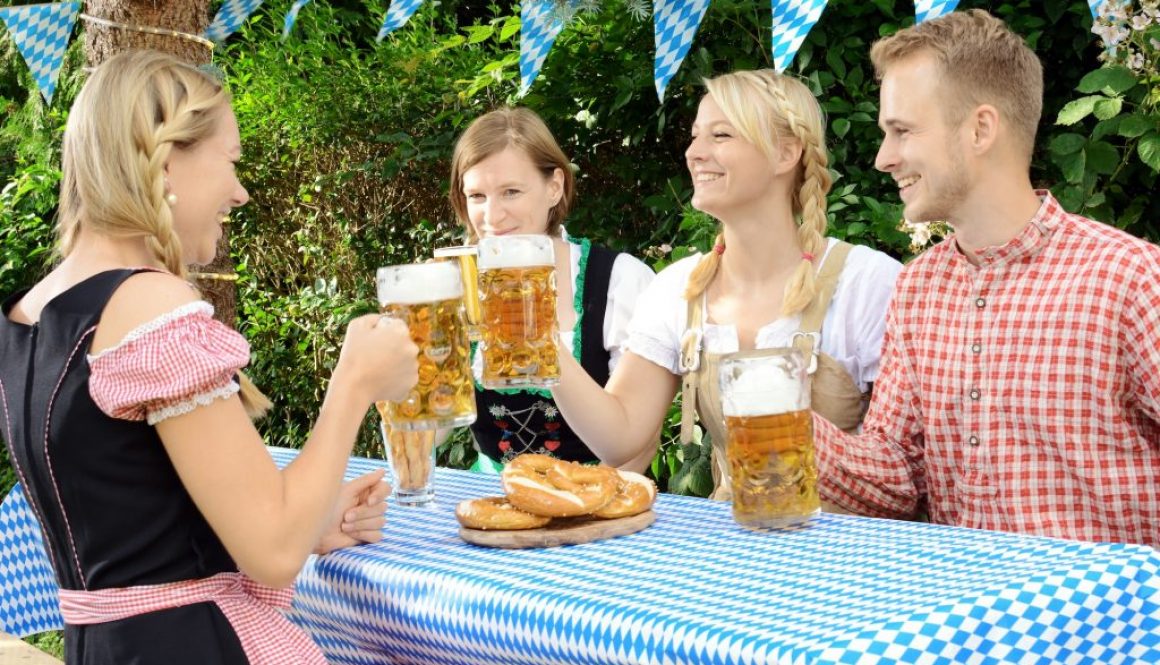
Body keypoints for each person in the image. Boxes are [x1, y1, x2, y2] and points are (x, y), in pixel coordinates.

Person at [0, 50, 419, 663]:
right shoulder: (147, 307)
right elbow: (272, 551)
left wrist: (311, 516)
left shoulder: (27, 313)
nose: (241, 192)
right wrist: (354, 382)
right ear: (167, 161)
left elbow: (132, 523)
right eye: (231, 160)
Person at [814, 9, 1160, 545]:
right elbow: (898, 481)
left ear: (980, 129)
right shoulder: (918, 288)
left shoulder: (1129, 277)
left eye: (902, 131)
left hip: (1113, 622)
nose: (884, 158)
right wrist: (785, 421)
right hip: (966, 621)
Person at [551, 70, 903, 498]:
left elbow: (904, 471)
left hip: (852, 552)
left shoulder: (866, 283)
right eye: (696, 136)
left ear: (785, 153)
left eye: (721, 135)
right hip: (732, 546)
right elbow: (620, 437)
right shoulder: (679, 288)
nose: (694, 153)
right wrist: (538, 345)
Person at [447, 107, 655, 471]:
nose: (492, 217)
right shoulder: (457, 286)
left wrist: (577, 510)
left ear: (554, 187)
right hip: (492, 502)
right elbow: (430, 428)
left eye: (511, 192)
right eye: (477, 196)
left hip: (598, 499)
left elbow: (639, 446)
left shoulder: (620, 281)